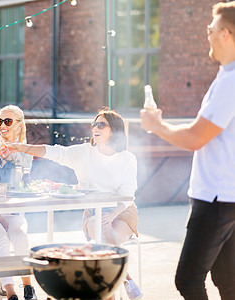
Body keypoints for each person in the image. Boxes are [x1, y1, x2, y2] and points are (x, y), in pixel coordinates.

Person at [140, 3, 235, 299]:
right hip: (226, 196)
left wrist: (156, 126)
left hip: (216, 198)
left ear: (226, 34)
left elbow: (196, 137)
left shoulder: (230, 82)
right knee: (228, 280)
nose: (206, 34)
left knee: (189, 279)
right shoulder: (226, 77)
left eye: (210, 29)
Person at [10, 108, 142, 300]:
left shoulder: (128, 159)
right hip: (92, 213)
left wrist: (112, 214)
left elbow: (128, 196)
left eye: (101, 124)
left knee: (105, 236)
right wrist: (20, 147)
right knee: (102, 231)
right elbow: (53, 152)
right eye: (94, 124)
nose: (95, 128)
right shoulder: (84, 152)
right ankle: (125, 280)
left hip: (123, 212)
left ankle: (112, 289)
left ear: (114, 130)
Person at [0, 105, 36, 300]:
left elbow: (20, 163)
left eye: (8, 121)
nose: (2, 125)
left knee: (19, 236)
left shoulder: (26, 150)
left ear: (20, 125)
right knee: (0, 238)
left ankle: (28, 285)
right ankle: (11, 292)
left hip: (13, 210)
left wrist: (1, 148)